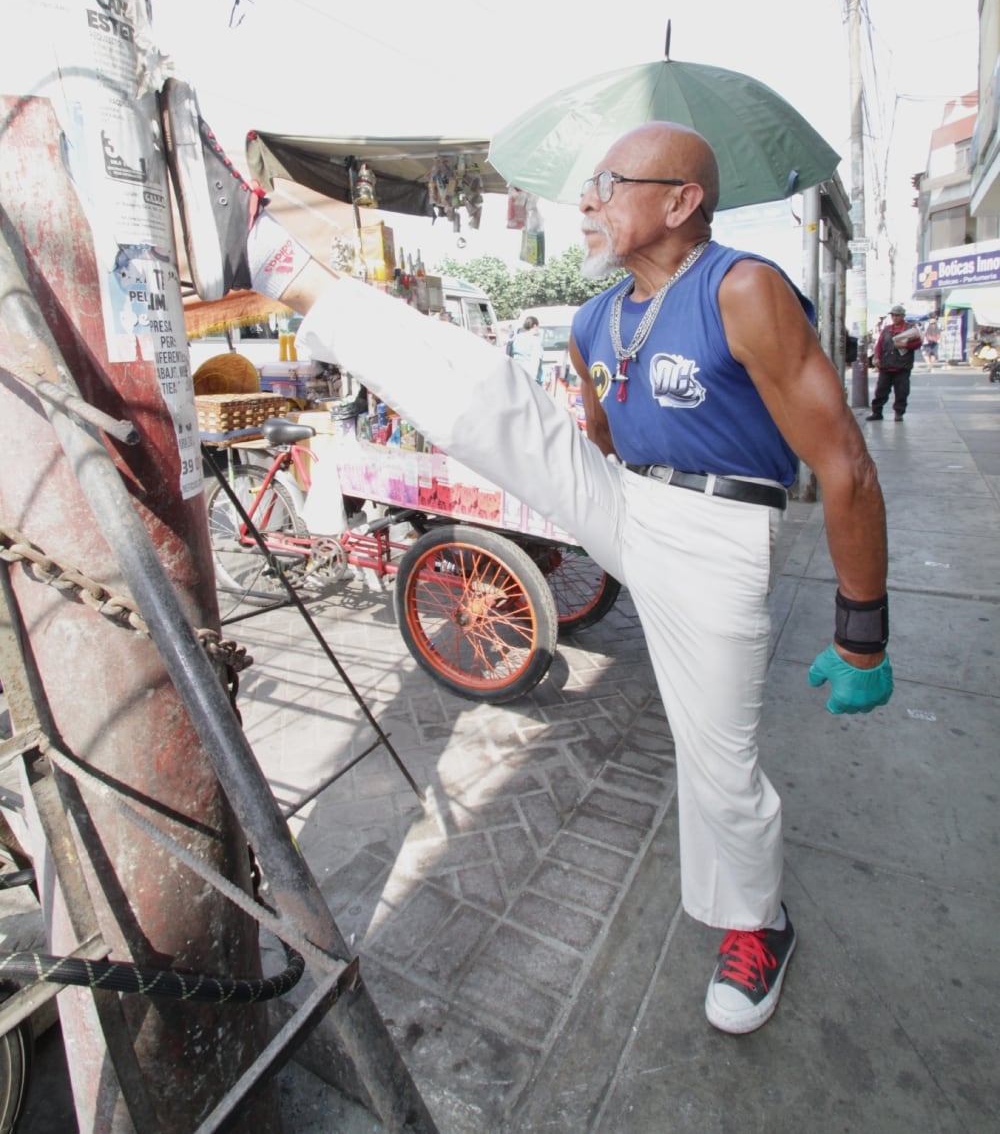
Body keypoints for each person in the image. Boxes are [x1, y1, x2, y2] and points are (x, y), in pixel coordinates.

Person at [237, 120, 893, 1037]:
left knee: (716, 756)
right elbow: (596, 440)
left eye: (610, 183)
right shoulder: (593, 320)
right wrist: (586, 508)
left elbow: (845, 465)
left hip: (718, 532)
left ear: (681, 201)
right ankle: (308, 284)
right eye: (588, 186)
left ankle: (757, 924)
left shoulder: (741, 289)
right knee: (495, 396)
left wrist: (862, 629)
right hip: (627, 501)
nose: (586, 201)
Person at [867, 305, 923, 421]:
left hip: (902, 367)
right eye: (893, 315)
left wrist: (906, 345)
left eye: (897, 315)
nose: (894, 317)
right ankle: (877, 412)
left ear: (902, 316)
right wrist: (877, 357)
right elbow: (879, 345)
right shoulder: (887, 329)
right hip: (886, 366)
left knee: (902, 392)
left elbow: (918, 343)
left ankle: (899, 413)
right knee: (880, 391)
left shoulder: (910, 328)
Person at [508, 314, 544, 384]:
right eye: (538, 326)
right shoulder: (535, 340)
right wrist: (534, 379)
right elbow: (535, 359)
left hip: (516, 372)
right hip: (529, 376)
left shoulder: (516, 338)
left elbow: (510, 354)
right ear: (535, 326)